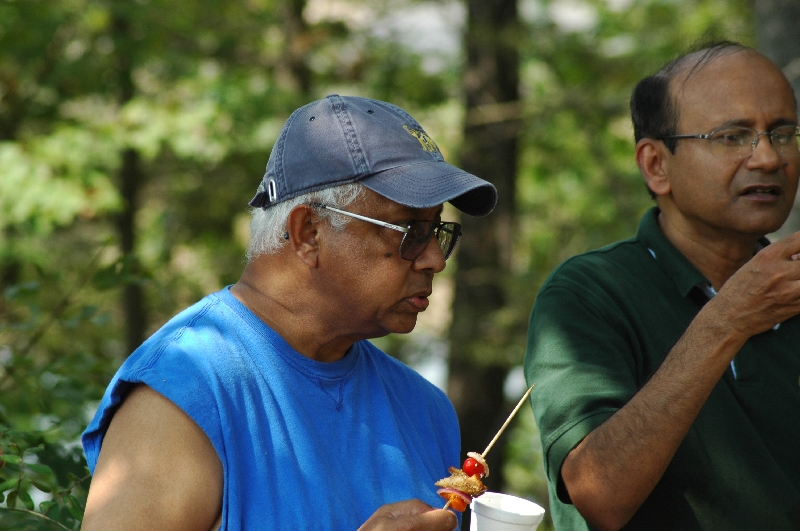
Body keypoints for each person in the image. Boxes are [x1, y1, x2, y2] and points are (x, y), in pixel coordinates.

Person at [80, 94, 497, 531]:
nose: (435, 259)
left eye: (437, 231)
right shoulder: (186, 390)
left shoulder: (425, 409)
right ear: (309, 232)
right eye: (411, 230)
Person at [524, 42, 800, 531]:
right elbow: (599, 494)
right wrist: (727, 320)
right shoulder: (590, 292)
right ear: (655, 164)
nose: (767, 157)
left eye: (783, 133)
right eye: (732, 137)